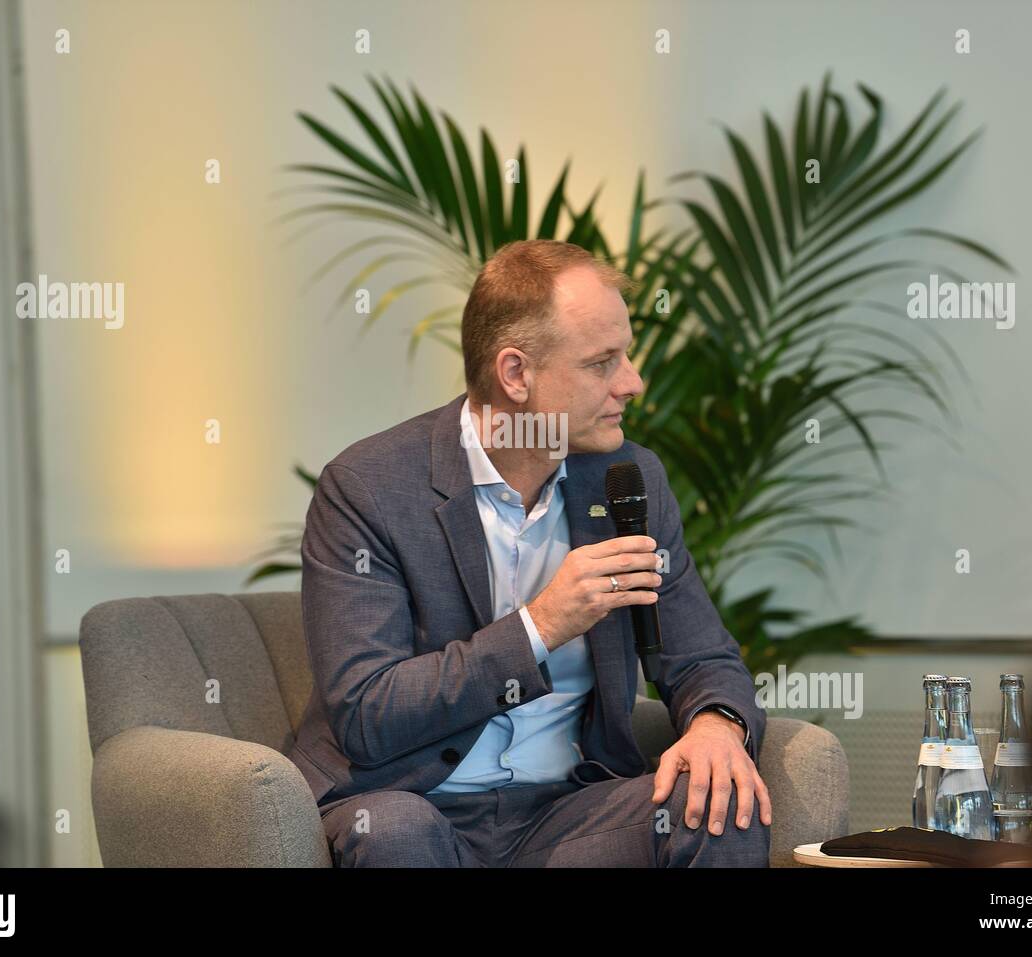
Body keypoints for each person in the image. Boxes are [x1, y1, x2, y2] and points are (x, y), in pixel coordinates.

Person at [289, 239, 770, 867]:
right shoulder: (369, 488)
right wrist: (541, 626)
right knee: (396, 834)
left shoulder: (627, 479)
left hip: (566, 813)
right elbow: (366, 711)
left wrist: (715, 724)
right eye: (603, 362)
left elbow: (701, 653)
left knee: (718, 809)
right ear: (515, 374)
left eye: (627, 355)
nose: (633, 383)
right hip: (409, 799)